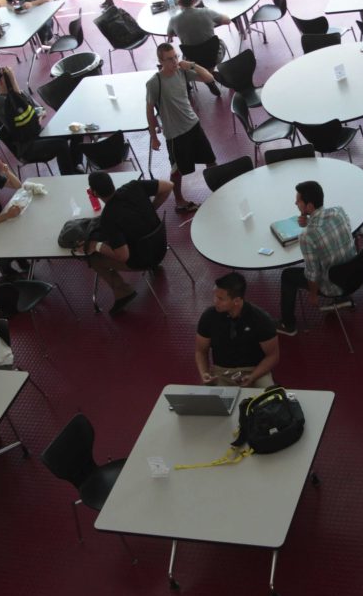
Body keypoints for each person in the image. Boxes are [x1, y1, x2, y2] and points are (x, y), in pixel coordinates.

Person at [84, 171, 173, 313]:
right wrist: (152, 207)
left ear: (93, 193)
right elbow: (168, 186)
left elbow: (123, 256)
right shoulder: (134, 186)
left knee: (94, 259)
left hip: (145, 259)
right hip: (161, 245)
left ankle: (123, 292)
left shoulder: (108, 217)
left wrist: (96, 246)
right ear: (111, 182)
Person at [276, 181, 357, 336]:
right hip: (353, 272)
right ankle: (344, 298)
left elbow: (313, 273)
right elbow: (345, 230)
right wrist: (310, 221)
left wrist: (313, 295)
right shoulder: (338, 211)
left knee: (287, 276)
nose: (295, 203)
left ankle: (288, 325)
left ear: (310, 206)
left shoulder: (307, 236)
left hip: (332, 284)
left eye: (299, 201)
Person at [146, 43, 219, 212]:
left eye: (175, 57)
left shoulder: (182, 72)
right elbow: (149, 110)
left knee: (211, 160)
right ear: (160, 61)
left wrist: (192, 65)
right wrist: (154, 137)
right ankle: (179, 201)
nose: (174, 62)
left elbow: (209, 78)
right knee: (177, 171)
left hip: (193, 125)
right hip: (175, 134)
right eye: (169, 59)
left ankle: (218, 187)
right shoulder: (154, 82)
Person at [194, 272, 280, 388]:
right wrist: (204, 373)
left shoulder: (261, 320)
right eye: (215, 296)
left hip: (255, 371)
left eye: (221, 299)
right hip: (221, 372)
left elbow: (273, 356)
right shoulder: (208, 317)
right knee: (208, 402)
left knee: (269, 400)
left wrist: (253, 376)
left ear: (237, 301)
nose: (215, 301)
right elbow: (201, 351)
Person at [0, 66, 81, 175]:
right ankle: (69, 176)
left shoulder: (20, 92)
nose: (11, 79)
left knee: (77, 129)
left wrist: (38, 115)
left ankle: (76, 166)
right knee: (61, 145)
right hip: (26, 145)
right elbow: (18, 107)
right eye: (7, 77)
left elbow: (40, 109)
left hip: (38, 132)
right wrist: (14, 82)